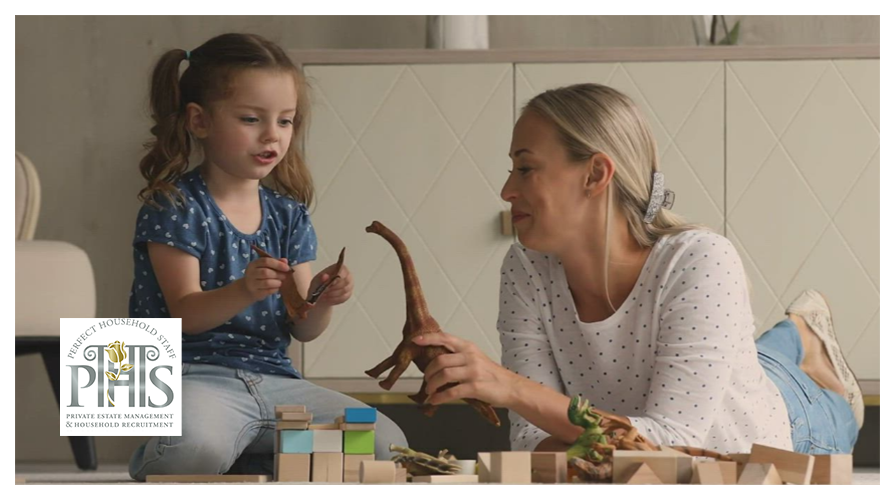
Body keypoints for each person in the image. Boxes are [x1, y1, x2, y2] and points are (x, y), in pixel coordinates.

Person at [414, 83, 862, 456]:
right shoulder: (525, 269)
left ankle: (806, 340)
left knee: (811, 397)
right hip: (708, 373)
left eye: (526, 168)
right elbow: (531, 440)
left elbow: (674, 442)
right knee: (747, 355)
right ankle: (790, 335)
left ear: (594, 175)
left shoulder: (701, 260)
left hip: (775, 430)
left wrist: (510, 387)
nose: (507, 190)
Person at [127, 33, 407, 481]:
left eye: (286, 121)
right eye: (252, 118)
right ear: (199, 121)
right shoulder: (174, 205)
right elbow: (183, 315)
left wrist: (323, 300)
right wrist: (243, 290)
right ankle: (183, 455)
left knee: (384, 443)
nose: (271, 136)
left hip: (278, 383)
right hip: (192, 377)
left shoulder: (289, 214)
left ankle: (250, 457)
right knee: (191, 449)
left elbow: (302, 328)